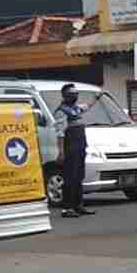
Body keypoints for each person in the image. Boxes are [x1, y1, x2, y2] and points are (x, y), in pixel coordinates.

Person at [54, 83, 103, 219]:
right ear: (65, 95)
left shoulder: (75, 109)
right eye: (72, 94)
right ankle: (67, 208)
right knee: (69, 178)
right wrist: (61, 151)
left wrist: (96, 98)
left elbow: (87, 106)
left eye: (76, 94)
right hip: (70, 149)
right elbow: (60, 133)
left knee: (79, 177)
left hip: (80, 147)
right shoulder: (61, 111)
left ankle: (78, 205)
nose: (75, 96)